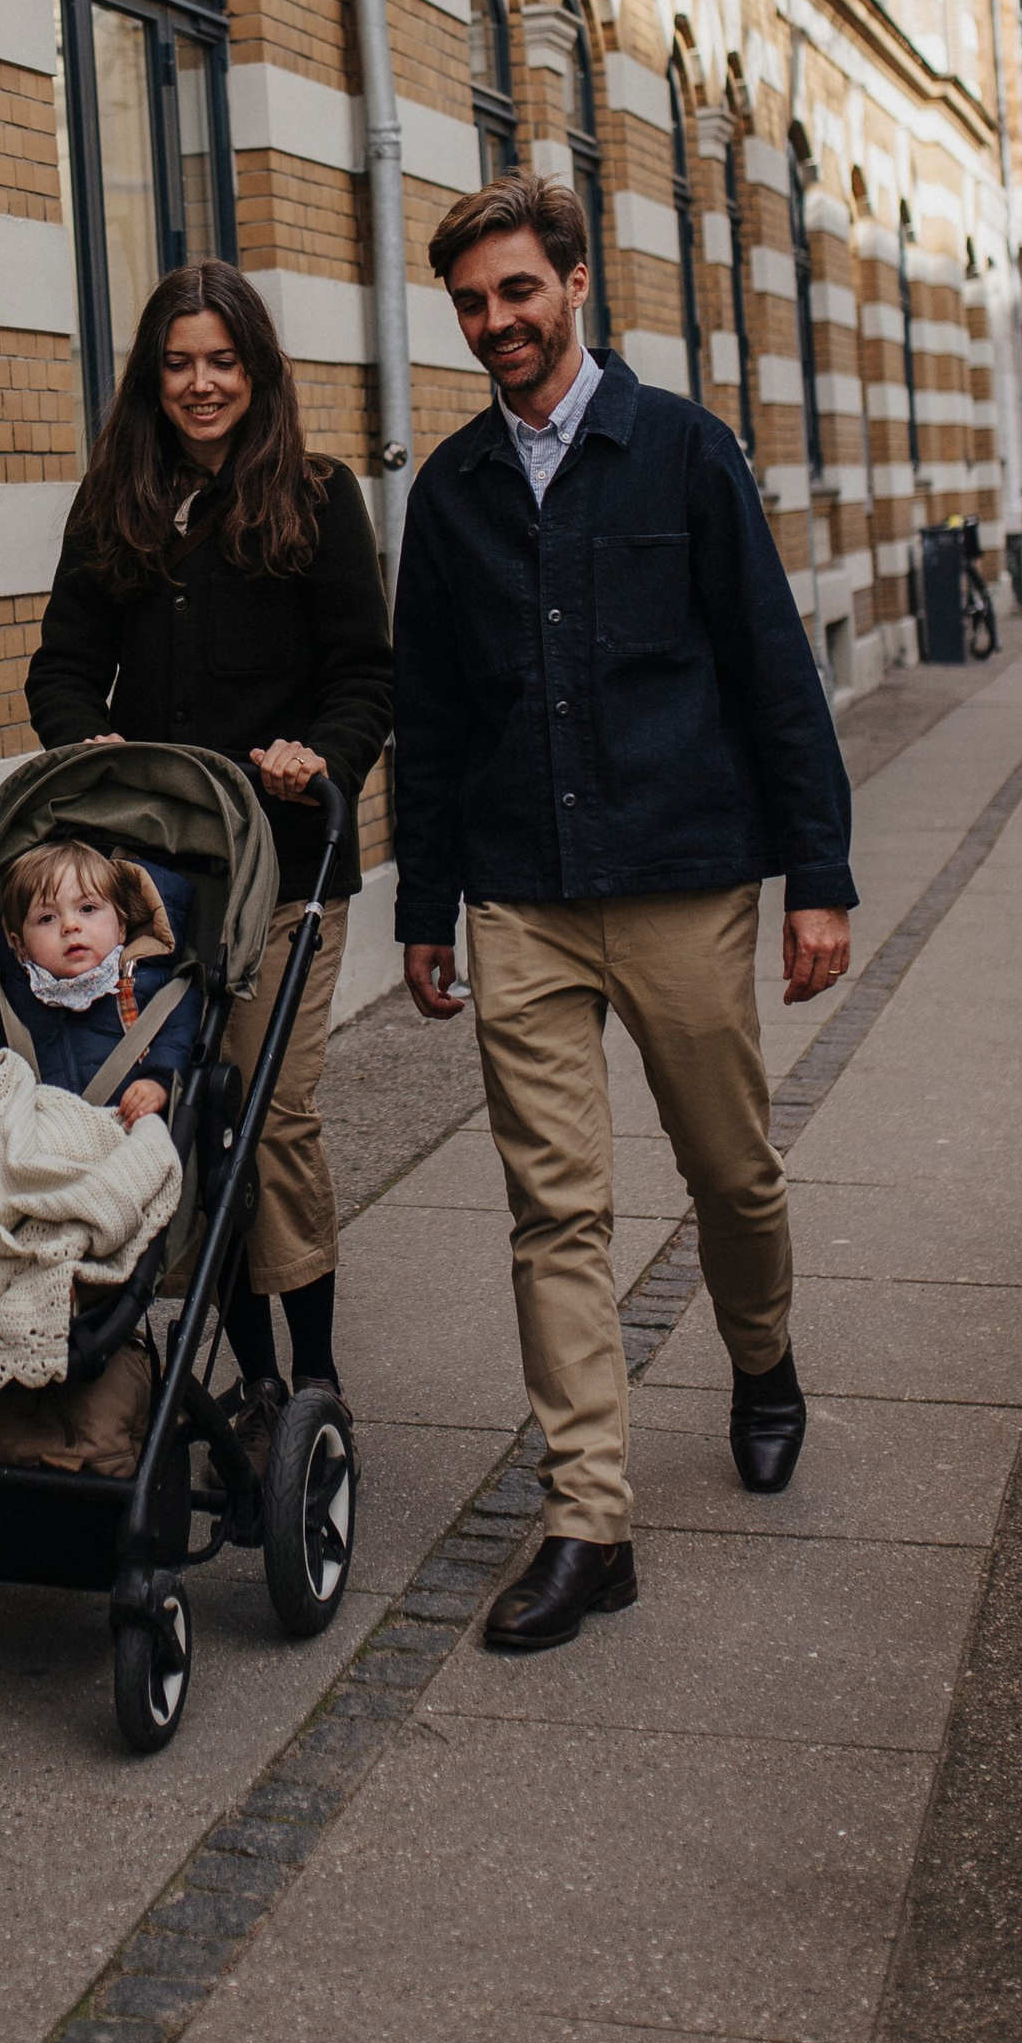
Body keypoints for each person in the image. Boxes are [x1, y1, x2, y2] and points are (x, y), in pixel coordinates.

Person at [393, 171, 856, 1654]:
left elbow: (775, 672)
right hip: (521, 894)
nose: (494, 324)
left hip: (682, 878)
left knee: (731, 1171)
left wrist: (819, 879)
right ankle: (590, 1519)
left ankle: (764, 1359)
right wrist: (425, 903)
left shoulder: (685, 453)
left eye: (517, 292)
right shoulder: (451, 493)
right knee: (555, 1213)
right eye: (470, 304)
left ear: (576, 284)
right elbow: (433, 714)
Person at [27, 260, 394, 1434]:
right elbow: (63, 663)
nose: (200, 383)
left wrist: (318, 754)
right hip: (156, 885)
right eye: (179, 362)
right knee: (187, 1111)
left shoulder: (320, 496)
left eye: (221, 361)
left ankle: (318, 1362)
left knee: (269, 1112)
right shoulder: (114, 503)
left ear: (256, 369)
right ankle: (251, 1372)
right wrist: (87, 740)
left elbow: (365, 674)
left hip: (279, 871)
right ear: (153, 374)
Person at [0, 840, 201, 1120]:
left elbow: (178, 1032)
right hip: (42, 1134)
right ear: (20, 944)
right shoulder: (17, 1000)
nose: (70, 925)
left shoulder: (147, 987)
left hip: (123, 1130)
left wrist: (159, 1080)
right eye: (47, 918)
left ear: (121, 928)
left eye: (87, 909)